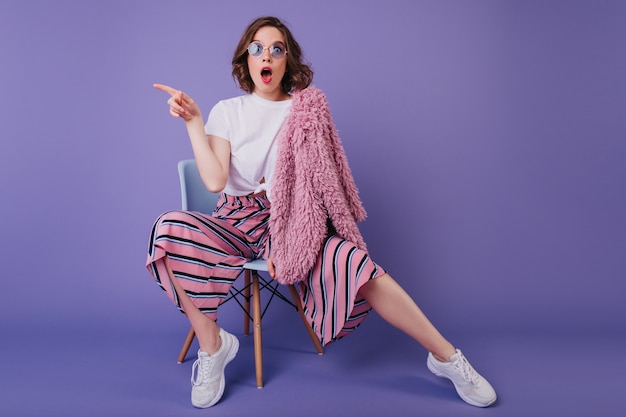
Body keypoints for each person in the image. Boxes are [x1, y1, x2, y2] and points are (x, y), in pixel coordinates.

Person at [147, 16, 497, 409]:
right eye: (257, 48)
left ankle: (447, 357)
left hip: (292, 219)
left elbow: (317, 188)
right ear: (246, 59)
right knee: (167, 229)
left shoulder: (306, 111)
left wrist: (284, 241)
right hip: (232, 219)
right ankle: (213, 347)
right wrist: (193, 121)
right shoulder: (228, 111)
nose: (267, 56)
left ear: (287, 60)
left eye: (276, 49)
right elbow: (214, 182)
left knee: (356, 262)